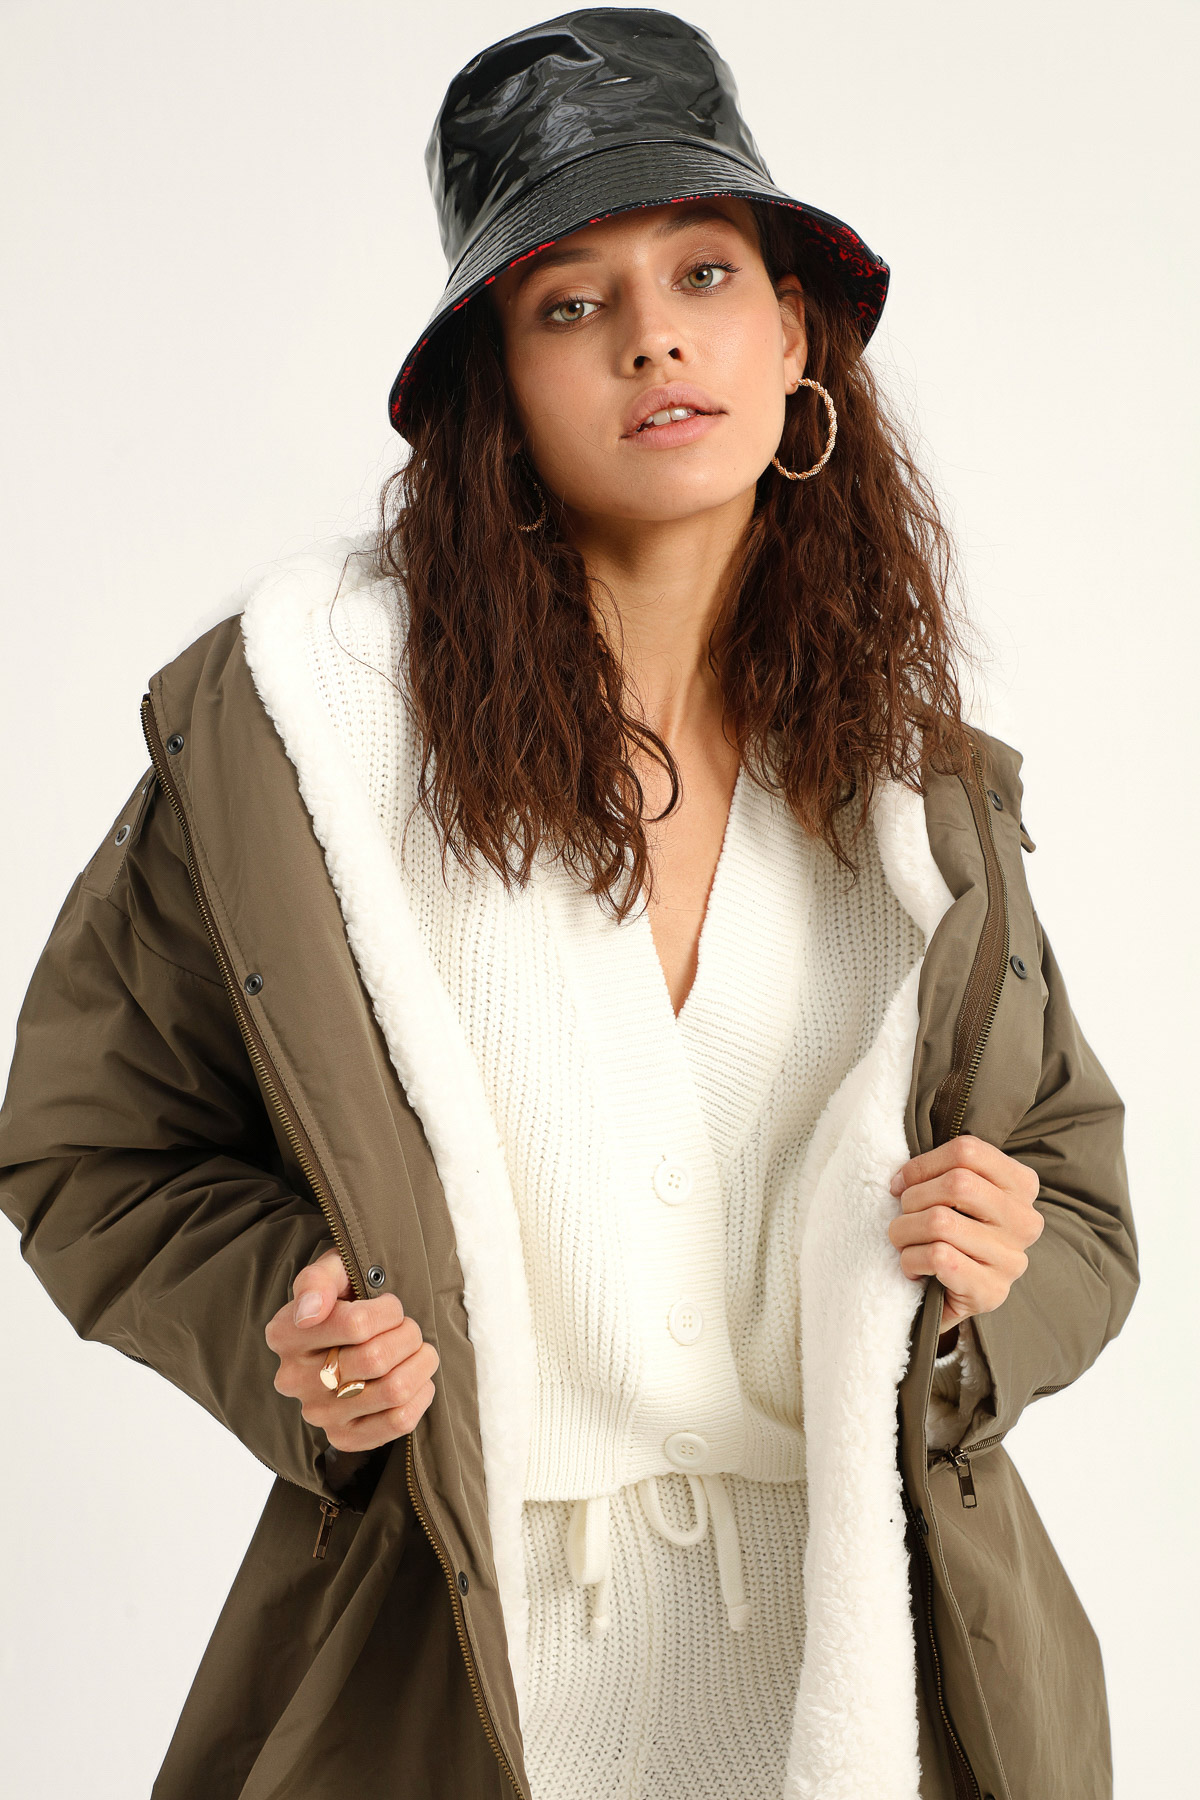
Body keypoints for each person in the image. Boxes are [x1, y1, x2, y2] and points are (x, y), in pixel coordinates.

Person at [0, 10, 1137, 1800]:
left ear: (793, 335)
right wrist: (290, 1322)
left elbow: (1078, 1194)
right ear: (497, 387)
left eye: (704, 271)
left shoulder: (916, 792)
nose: (652, 334)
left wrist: (1001, 1278)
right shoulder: (307, 745)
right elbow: (89, 1147)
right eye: (568, 301)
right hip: (451, 1673)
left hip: (867, 1678)